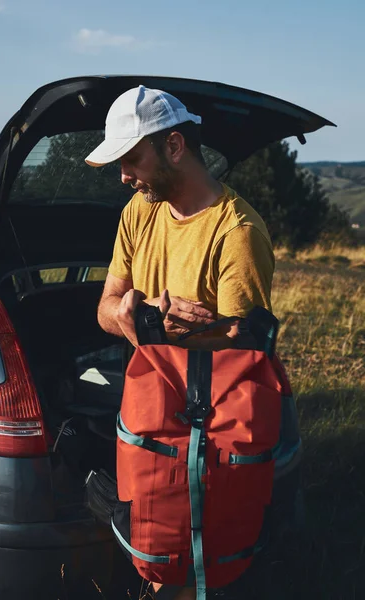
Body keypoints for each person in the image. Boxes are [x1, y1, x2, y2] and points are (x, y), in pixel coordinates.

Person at [85, 85, 275, 600]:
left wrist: (159, 332)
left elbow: (245, 365)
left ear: (174, 146)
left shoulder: (236, 234)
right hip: (146, 415)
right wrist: (138, 323)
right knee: (151, 557)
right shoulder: (139, 213)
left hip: (202, 435)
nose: (124, 176)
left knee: (194, 569)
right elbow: (107, 307)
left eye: (131, 159)